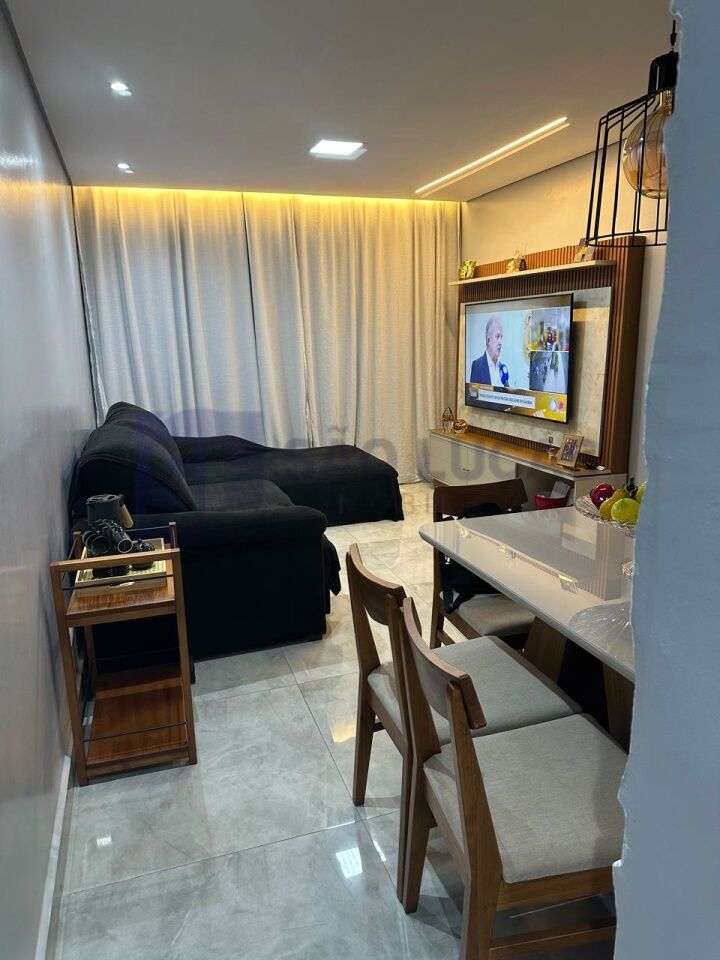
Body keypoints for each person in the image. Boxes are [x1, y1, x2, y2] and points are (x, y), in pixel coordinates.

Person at [470, 316, 510, 387]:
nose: (500, 342)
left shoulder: (502, 368)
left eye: (501, 337)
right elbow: (473, 393)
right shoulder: (477, 365)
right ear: (488, 339)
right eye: (497, 336)